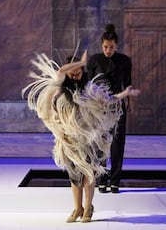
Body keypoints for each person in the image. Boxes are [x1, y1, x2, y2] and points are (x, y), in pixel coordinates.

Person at [22, 50, 140, 222]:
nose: (75, 76)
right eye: (73, 73)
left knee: (88, 174)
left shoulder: (89, 88)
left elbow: (108, 99)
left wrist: (125, 93)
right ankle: (77, 208)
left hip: (88, 137)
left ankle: (88, 208)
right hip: (69, 139)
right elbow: (61, 71)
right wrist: (80, 63)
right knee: (74, 175)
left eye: (78, 72)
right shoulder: (62, 85)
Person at [87, 24, 132, 194]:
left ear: (116, 46)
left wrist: (130, 102)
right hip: (98, 107)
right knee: (99, 142)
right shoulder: (94, 60)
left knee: (118, 143)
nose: (108, 50)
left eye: (111, 47)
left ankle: (115, 181)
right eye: (105, 47)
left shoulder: (125, 61)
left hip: (117, 106)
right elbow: (89, 86)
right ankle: (102, 179)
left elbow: (128, 83)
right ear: (101, 45)